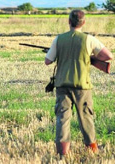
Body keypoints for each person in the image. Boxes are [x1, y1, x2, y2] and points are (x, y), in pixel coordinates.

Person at [45, 10, 113, 157]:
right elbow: (109, 56)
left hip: (62, 85)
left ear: (69, 22)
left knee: (62, 119)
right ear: (84, 23)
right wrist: (89, 56)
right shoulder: (89, 39)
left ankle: (62, 153)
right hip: (82, 86)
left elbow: (47, 61)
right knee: (86, 118)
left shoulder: (59, 39)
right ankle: (92, 149)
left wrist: (53, 53)